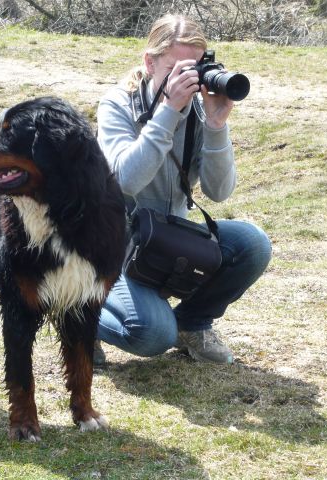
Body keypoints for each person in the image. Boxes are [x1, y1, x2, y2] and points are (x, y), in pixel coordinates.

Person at [95, 14, 272, 364]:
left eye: (194, 68)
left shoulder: (200, 111)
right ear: (150, 62)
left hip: (168, 234)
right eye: (176, 68)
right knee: (152, 335)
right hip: (116, 243)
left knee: (252, 244)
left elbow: (219, 191)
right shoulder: (118, 104)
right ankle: (79, 317)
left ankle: (192, 323)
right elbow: (127, 181)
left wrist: (217, 124)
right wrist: (167, 112)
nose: (187, 79)